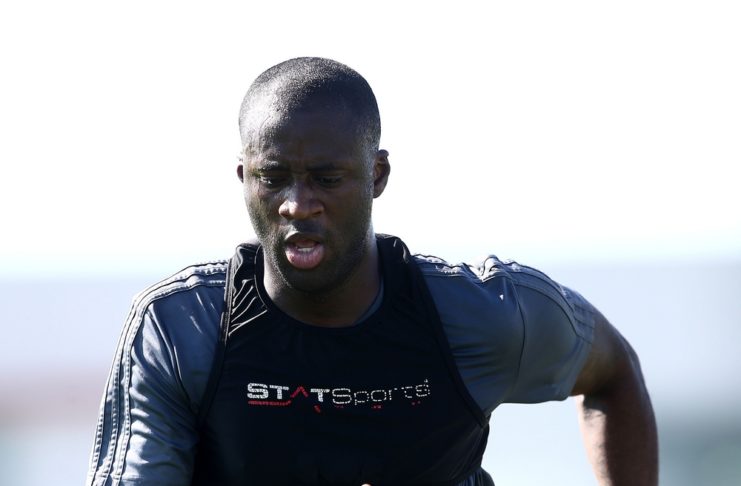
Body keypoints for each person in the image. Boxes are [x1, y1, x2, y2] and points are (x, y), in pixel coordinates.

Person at [86, 57, 657, 486]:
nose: (297, 204)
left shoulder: (487, 314)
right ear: (244, 177)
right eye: (273, 178)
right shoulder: (180, 330)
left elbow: (613, 372)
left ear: (377, 175)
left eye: (327, 179)